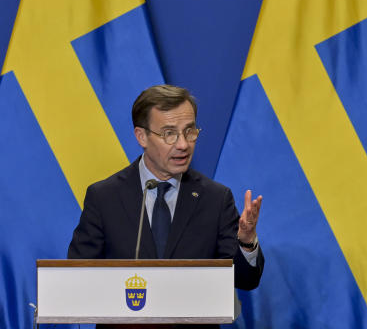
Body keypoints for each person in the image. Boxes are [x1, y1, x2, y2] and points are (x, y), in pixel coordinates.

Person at [68, 85, 264, 326]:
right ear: (142, 136)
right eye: (169, 133)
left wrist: (245, 241)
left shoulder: (215, 199)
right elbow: (77, 280)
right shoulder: (104, 197)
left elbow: (245, 279)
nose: (183, 144)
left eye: (189, 131)